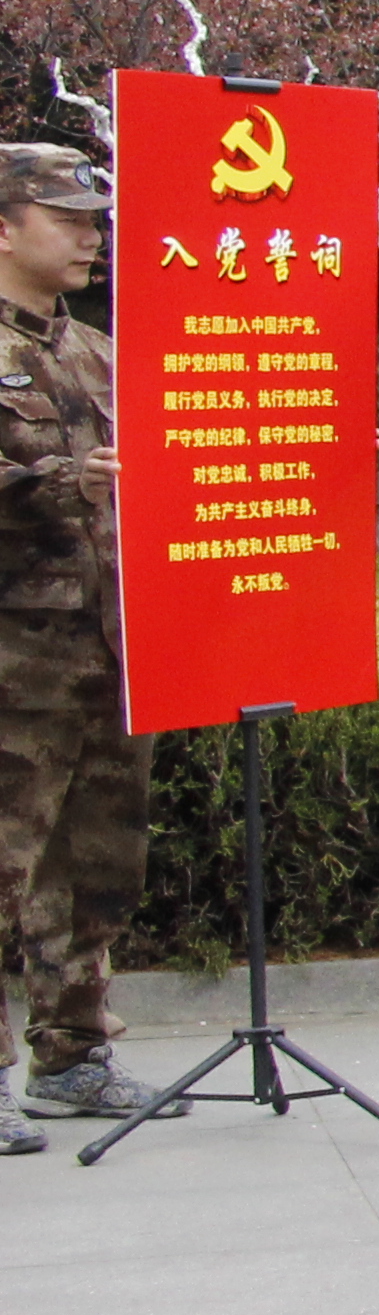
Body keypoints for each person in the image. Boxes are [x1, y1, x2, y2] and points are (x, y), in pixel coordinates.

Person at [0, 143, 137, 1147]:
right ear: (5, 227)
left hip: (109, 654)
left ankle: (72, 1056)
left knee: (98, 862)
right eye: (67, 218)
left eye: (95, 219)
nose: (92, 235)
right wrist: (58, 484)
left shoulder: (99, 354)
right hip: (14, 663)